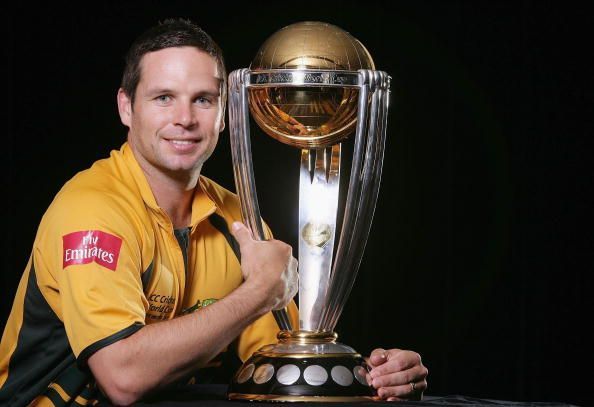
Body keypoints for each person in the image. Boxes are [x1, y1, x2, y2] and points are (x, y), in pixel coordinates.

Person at [0, 18, 428, 406]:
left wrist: (374, 375)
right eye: (164, 97)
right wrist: (257, 292)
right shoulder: (91, 209)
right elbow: (123, 378)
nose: (184, 118)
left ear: (225, 112)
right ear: (126, 107)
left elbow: (280, 365)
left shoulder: (238, 220)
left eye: (203, 99)